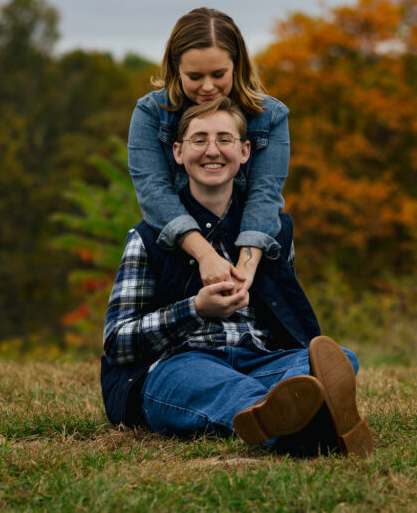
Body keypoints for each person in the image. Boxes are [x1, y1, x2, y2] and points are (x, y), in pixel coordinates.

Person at [102, 97, 374, 457]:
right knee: (194, 381)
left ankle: (291, 417)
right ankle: (301, 419)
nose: (212, 150)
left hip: (259, 363)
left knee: (339, 357)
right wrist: (194, 309)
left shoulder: (272, 234)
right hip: (184, 364)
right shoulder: (148, 238)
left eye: (224, 139)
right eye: (199, 139)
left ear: (245, 151)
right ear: (178, 152)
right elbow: (117, 342)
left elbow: (286, 314)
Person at [127, 8, 288, 294]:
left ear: (236, 66)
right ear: (176, 69)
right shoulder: (151, 113)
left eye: (218, 74)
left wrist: (243, 273)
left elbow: (265, 194)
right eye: (195, 76)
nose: (208, 86)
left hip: (250, 250)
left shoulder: (270, 116)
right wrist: (206, 256)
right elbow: (153, 192)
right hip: (174, 253)